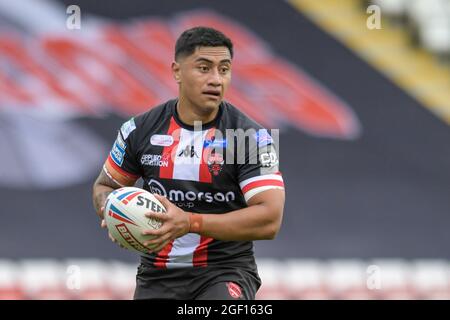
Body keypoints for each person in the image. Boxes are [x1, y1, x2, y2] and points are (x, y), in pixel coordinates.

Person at [92, 26, 285, 300]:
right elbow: (104, 186)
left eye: (224, 69)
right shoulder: (139, 129)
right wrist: (110, 212)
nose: (216, 80)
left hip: (224, 271)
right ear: (177, 71)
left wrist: (190, 222)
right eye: (204, 68)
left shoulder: (250, 137)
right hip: (157, 274)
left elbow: (269, 219)